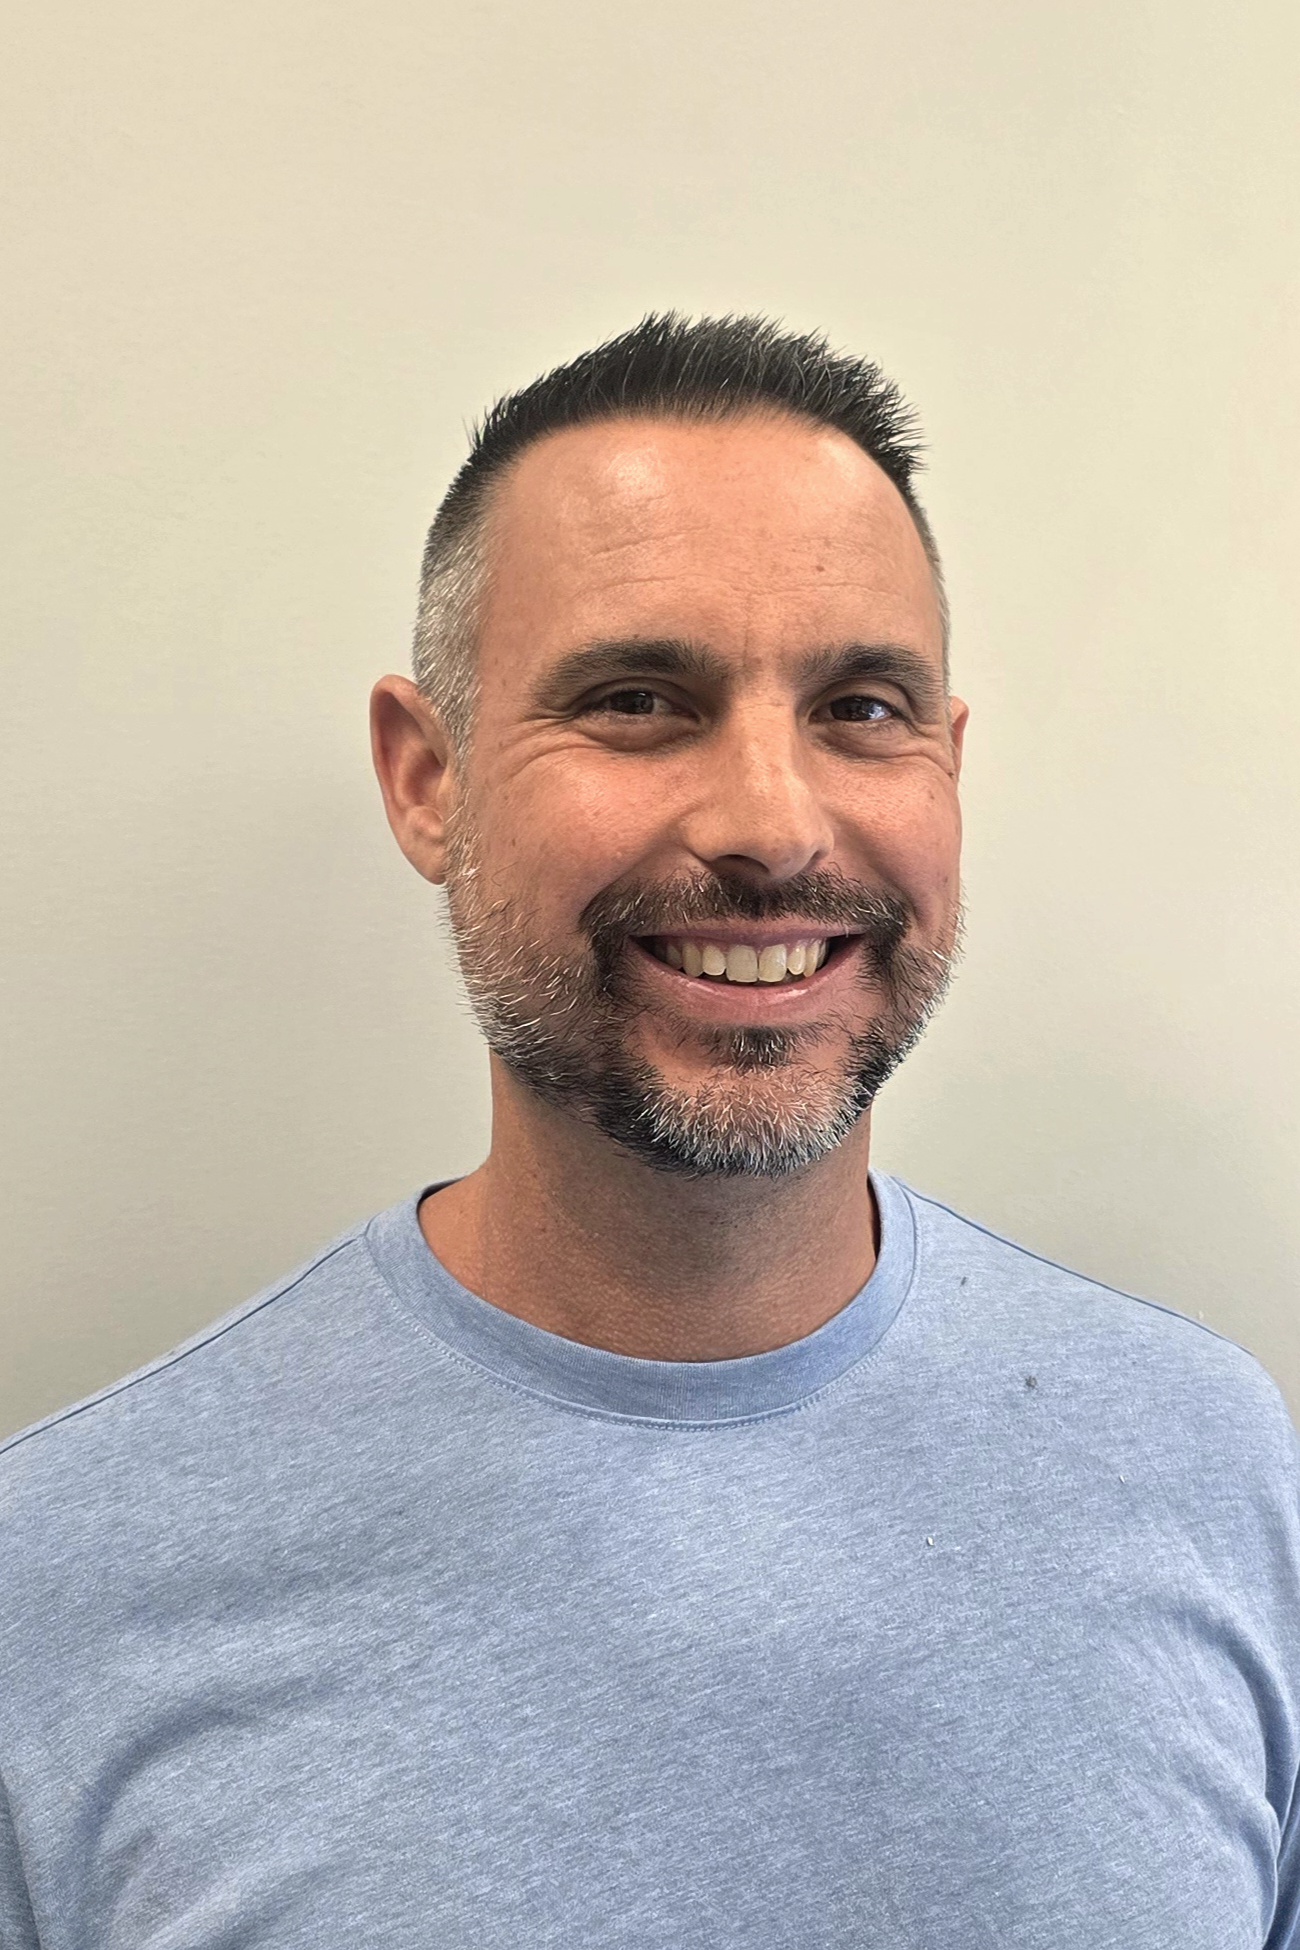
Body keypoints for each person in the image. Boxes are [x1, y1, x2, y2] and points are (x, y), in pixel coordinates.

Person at [1, 314, 1297, 1949]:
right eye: (637, 700)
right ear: (427, 778)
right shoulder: (56, 1585)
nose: (770, 819)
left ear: (948, 766)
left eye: (863, 707)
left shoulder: (1214, 1465)